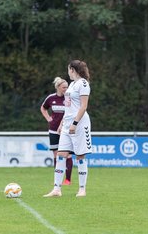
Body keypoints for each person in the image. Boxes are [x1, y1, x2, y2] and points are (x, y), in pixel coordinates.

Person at [44, 60, 92, 197]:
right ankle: (56, 189)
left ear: (72, 69)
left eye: (68, 69)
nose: (68, 72)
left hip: (80, 124)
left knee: (80, 156)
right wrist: (63, 123)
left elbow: (83, 106)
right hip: (67, 124)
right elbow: (68, 106)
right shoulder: (71, 85)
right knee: (61, 154)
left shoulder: (83, 84)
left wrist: (74, 124)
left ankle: (82, 189)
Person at [40, 77, 73, 185]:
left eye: (67, 87)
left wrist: (62, 125)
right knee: (56, 154)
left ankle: (68, 180)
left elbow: (70, 113)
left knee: (67, 155)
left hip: (66, 130)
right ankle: (57, 179)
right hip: (53, 130)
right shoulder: (51, 98)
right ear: (58, 87)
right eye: (64, 87)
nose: (66, 89)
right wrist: (48, 118)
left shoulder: (69, 98)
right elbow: (43, 108)